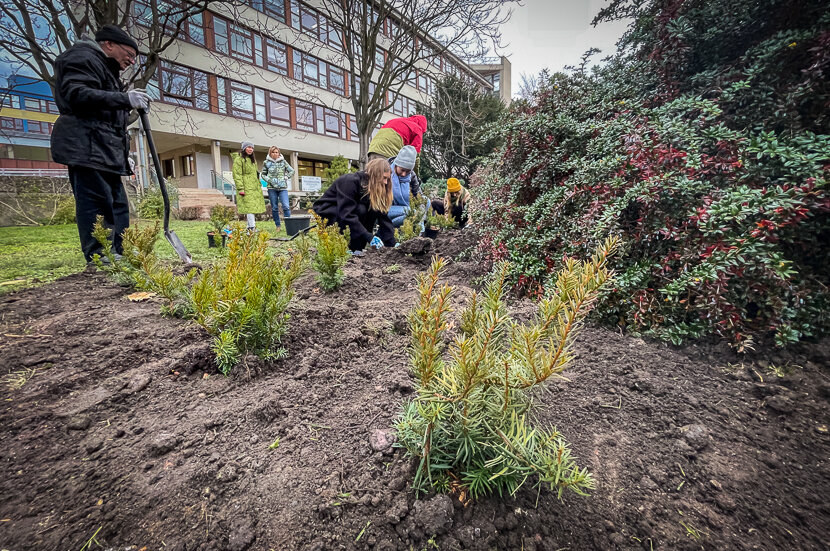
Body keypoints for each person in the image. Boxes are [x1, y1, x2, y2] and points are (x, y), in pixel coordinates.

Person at [50, 24, 150, 263]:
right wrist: (124, 99)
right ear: (109, 44)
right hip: (86, 145)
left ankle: (120, 249)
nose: (131, 61)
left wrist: (122, 152)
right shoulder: (82, 57)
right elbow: (77, 94)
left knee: (117, 203)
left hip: (105, 148)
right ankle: (100, 253)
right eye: (129, 54)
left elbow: (109, 116)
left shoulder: (104, 69)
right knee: (96, 201)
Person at [312, 158, 396, 252]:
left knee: (372, 209)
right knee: (361, 209)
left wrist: (392, 243)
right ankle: (344, 246)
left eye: (387, 179)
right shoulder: (350, 181)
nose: (385, 182)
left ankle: (357, 247)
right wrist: (368, 236)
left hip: (346, 213)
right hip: (328, 212)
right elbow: (347, 214)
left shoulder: (372, 188)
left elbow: (383, 217)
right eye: (384, 178)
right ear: (375, 175)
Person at [231, 141, 266, 230]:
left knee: (251, 207)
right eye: (248, 147)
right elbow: (237, 175)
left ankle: (249, 226)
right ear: (244, 148)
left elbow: (255, 173)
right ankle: (252, 227)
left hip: (254, 186)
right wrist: (240, 188)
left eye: (252, 148)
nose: (250, 149)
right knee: (250, 207)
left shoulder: (252, 160)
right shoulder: (239, 160)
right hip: (245, 186)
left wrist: (258, 184)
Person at [261, 146, 294, 231]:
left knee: (286, 206)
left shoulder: (283, 162)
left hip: (283, 188)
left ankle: (289, 225)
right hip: (271, 188)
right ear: (270, 153)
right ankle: (278, 225)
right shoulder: (266, 162)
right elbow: (263, 174)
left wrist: (286, 177)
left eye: (276, 152)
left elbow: (292, 171)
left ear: (279, 153)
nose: (275, 154)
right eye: (273, 152)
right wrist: (270, 180)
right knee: (274, 207)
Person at [387, 145, 421, 227]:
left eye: (408, 171)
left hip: (404, 209)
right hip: (385, 208)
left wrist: (421, 208)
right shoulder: (386, 171)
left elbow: (419, 195)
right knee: (409, 212)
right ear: (396, 164)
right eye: (402, 170)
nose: (404, 174)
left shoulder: (412, 176)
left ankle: (420, 231)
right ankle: (384, 228)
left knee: (426, 202)